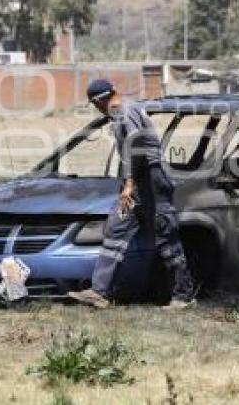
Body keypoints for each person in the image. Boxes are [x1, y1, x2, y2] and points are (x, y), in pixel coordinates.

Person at [68, 79, 196, 309]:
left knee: (165, 234)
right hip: (139, 179)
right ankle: (99, 292)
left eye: (96, 104)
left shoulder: (124, 111)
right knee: (116, 227)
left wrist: (128, 183)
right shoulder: (123, 111)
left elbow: (134, 145)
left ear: (101, 100)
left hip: (150, 177)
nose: (98, 109)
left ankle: (182, 295)